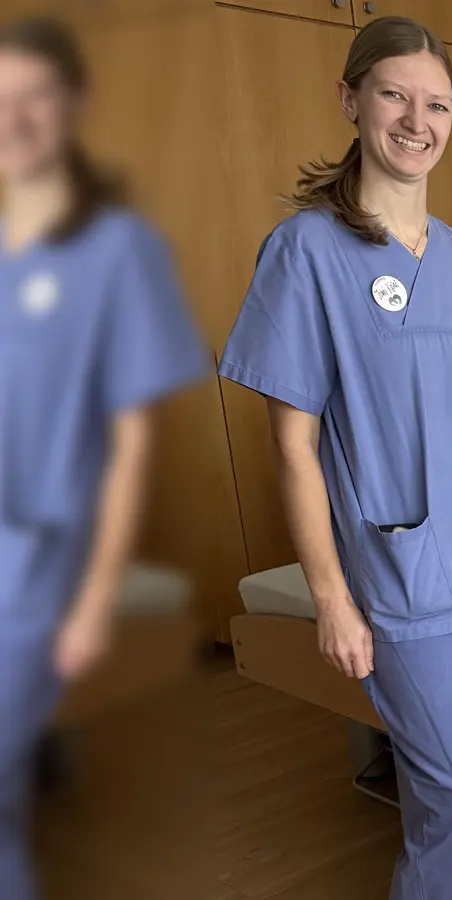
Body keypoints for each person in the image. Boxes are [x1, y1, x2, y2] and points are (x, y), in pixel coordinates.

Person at [217, 18, 452, 900]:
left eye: (438, 104)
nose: (417, 121)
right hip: (405, 581)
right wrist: (331, 600)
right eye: (395, 95)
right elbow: (294, 446)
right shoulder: (307, 253)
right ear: (351, 100)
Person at [0, 16, 207, 900]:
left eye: (35, 96)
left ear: (73, 103)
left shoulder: (118, 250)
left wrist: (91, 603)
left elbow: (130, 446)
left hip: (37, 562)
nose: (14, 118)